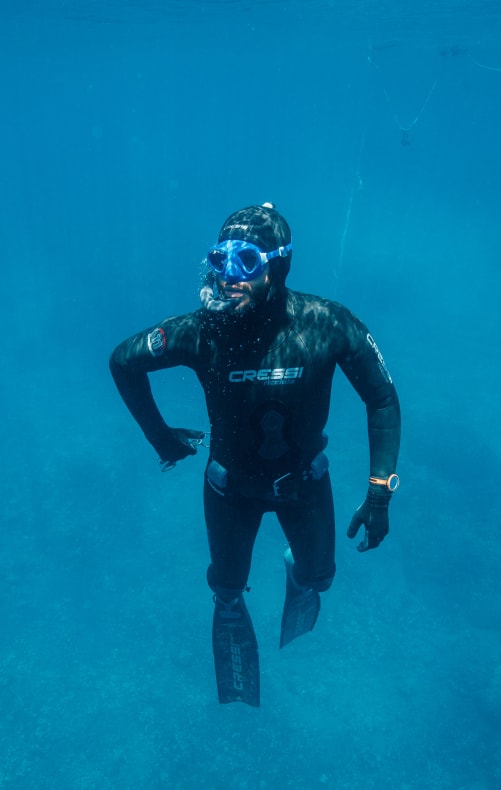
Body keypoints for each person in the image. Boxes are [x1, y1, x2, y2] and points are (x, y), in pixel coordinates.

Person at [109, 202, 401, 706]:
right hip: (230, 490)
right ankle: (235, 600)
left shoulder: (326, 324)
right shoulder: (202, 331)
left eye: (245, 262)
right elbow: (123, 361)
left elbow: (383, 400)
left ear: (278, 264)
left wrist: (379, 494)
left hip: (304, 485)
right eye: (220, 260)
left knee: (318, 579)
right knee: (225, 590)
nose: (227, 277)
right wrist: (160, 439)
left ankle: (298, 567)